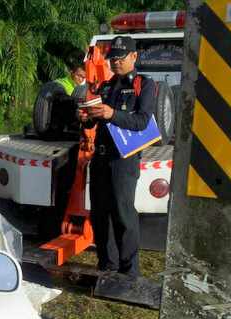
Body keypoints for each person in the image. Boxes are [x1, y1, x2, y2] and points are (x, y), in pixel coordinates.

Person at [78, 36, 155, 277]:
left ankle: (129, 271)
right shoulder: (107, 86)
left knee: (123, 214)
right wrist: (87, 117)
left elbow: (142, 121)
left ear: (134, 56)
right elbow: (98, 119)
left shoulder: (144, 84)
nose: (116, 62)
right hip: (100, 158)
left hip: (124, 160)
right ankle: (106, 265)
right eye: (112, 58)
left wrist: (112, 114)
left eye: (120, 58)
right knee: (100, 213)